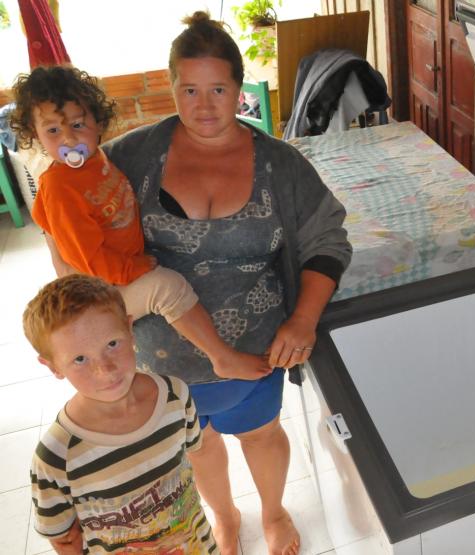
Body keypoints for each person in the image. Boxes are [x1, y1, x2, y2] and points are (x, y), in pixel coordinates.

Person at [95, 11, 351, 555]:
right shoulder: (129, 158)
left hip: (255, 352)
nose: (204, 105)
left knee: (261, 434)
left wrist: (304, 319)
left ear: (239, 89)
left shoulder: (281, 165)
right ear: (171, 87)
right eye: (189, 89)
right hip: (160, 358)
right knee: (199, 444)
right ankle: (225, 516)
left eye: (218, 89)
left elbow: (328, 238)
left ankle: (274, 512)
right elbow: (71, 214)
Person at [10, 65, 272, 382]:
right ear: (35, 135)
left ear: (97, 121)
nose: (69, 138)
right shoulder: (61, 186)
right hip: (101, 288)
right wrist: (132, 269)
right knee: (168, 287)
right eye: (53, 131)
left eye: (78, 125)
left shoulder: (96, 161)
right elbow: (88, 260)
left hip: (115, 270)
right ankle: (222, 358)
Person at [23, 274, 216, 553]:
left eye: (112, 344)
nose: (106, 369)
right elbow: (64, 539)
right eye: (80, 359)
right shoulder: (55, 456)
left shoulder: (175, 395)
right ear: (53, 366)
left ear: (129, 328)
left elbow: (191, 455)